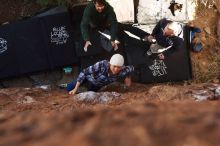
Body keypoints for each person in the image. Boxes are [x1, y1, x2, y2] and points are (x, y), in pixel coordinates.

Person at [67, 54, 134, 95]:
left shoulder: (123, 70)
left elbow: (131, 68)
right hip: (88, 77)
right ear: (110, 64)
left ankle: (84, 89)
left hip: (97, 85)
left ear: (121, 67)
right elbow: (84, 72)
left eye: (118, 67)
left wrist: (128, 78)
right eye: (114, 66)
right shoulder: (102, 65)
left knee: (90, 95)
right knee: (69, 88)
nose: (116, 69)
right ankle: (66, 85)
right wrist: (75, 89)